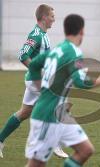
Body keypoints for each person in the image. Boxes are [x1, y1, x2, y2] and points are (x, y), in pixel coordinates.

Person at [25, 14, 100, 167]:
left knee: (85, 150)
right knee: (36, 164)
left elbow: (34, 65)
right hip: (47, 116)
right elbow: (81, 82)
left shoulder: (57, 50)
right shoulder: (74, 52)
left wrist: (41, 87)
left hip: (60, 115)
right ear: (82, 31)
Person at [0, 4, 68, 158]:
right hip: (36, 81)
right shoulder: (36, 34)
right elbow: (23, 55)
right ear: (44, 17)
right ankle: (55, 145)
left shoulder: (43, 34)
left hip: (35, 81)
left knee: (24, 113)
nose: (54, 20)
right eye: (52, 16)